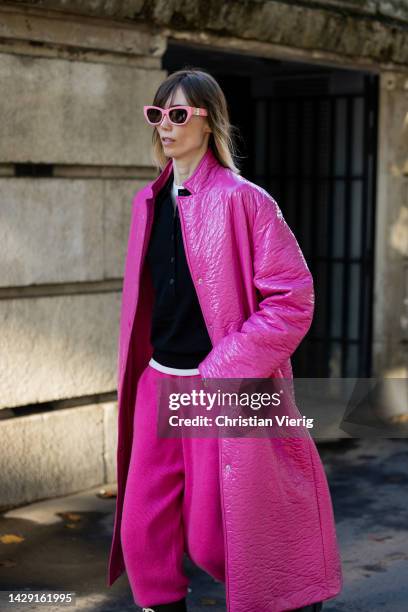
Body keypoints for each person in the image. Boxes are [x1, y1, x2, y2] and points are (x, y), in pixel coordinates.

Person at [107, 67, 343, 612]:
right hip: (158, 383)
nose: (165, 126)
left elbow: (292, 300)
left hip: (220, 387)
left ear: (209, 122)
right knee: (143, 528)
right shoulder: (148, 202)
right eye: (157, 115)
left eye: (178, 114)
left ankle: (293, 598)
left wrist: (226, 365)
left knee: (215, 539)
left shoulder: (246, 201)